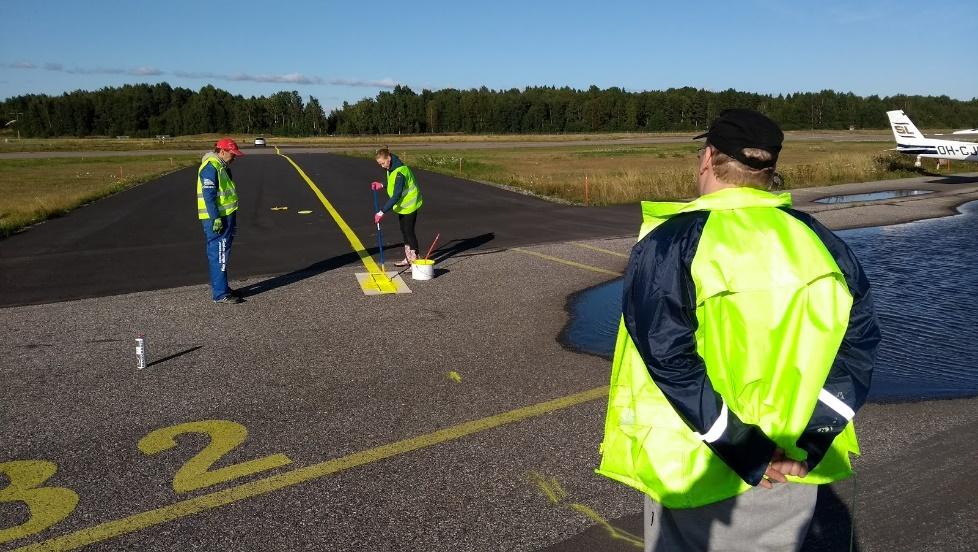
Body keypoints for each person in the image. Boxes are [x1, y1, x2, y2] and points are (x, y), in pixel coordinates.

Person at [597, 109, 881, 551]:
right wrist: (814, 437)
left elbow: (668, 356)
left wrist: (747, 451)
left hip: (698, 467)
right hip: (798, 464)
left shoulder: (672, 241)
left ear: (708, 158)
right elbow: (859, 345)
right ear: (770, 170)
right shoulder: (822, 241)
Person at [197, 137, 244, 304]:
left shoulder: (221, 166)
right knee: (219, 255)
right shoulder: (211, 167)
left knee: (222, 254)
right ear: (222, 151)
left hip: (226, 217)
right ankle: (220, 294)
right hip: (218, 220)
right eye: (232, 154)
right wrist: (216, 218)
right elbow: (208, 196)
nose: (234, 157)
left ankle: (221, 287)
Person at [371, 147, 424, 266]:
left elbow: (396, 195)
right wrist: (382, 184)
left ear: (388, 158)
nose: (382, 166)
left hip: (410, 204)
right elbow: (392, 183)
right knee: (404, 231)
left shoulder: (400, 171)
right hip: (403, 205)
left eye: (383, 163)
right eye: (380, 164)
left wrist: (381, 212)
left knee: (409, 231)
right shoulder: (391, 168)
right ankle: (408, 257)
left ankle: (416, 260)